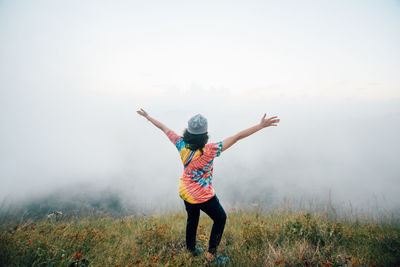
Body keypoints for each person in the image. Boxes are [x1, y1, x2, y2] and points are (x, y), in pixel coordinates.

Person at [137, 108, 280, 265]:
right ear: (205, 135)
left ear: (188, 132)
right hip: (203, 195)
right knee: (220, 218)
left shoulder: (181, 144)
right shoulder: (211, 149)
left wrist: (148, 117)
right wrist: (260, 126)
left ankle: (191, 249)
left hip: (185, 191)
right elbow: (237, 137)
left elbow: (164, 128)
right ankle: (211, 256)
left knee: (192, 218)